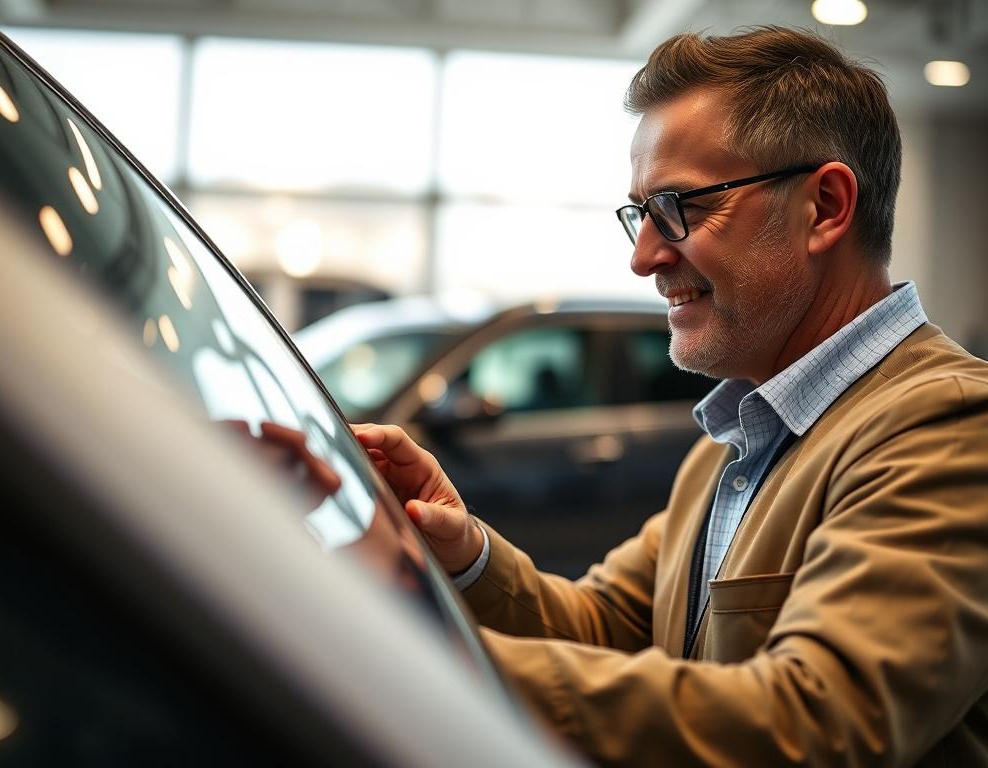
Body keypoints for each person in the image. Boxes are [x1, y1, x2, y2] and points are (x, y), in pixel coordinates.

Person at [354, 26, 988, 767]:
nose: (644, 255)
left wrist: (428, 655)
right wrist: (458, 553)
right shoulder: (740, 442)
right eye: (641, 212)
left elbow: (819, 723)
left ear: (824, 206)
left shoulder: (947, 428)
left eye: (680, 206)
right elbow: (603, 628)